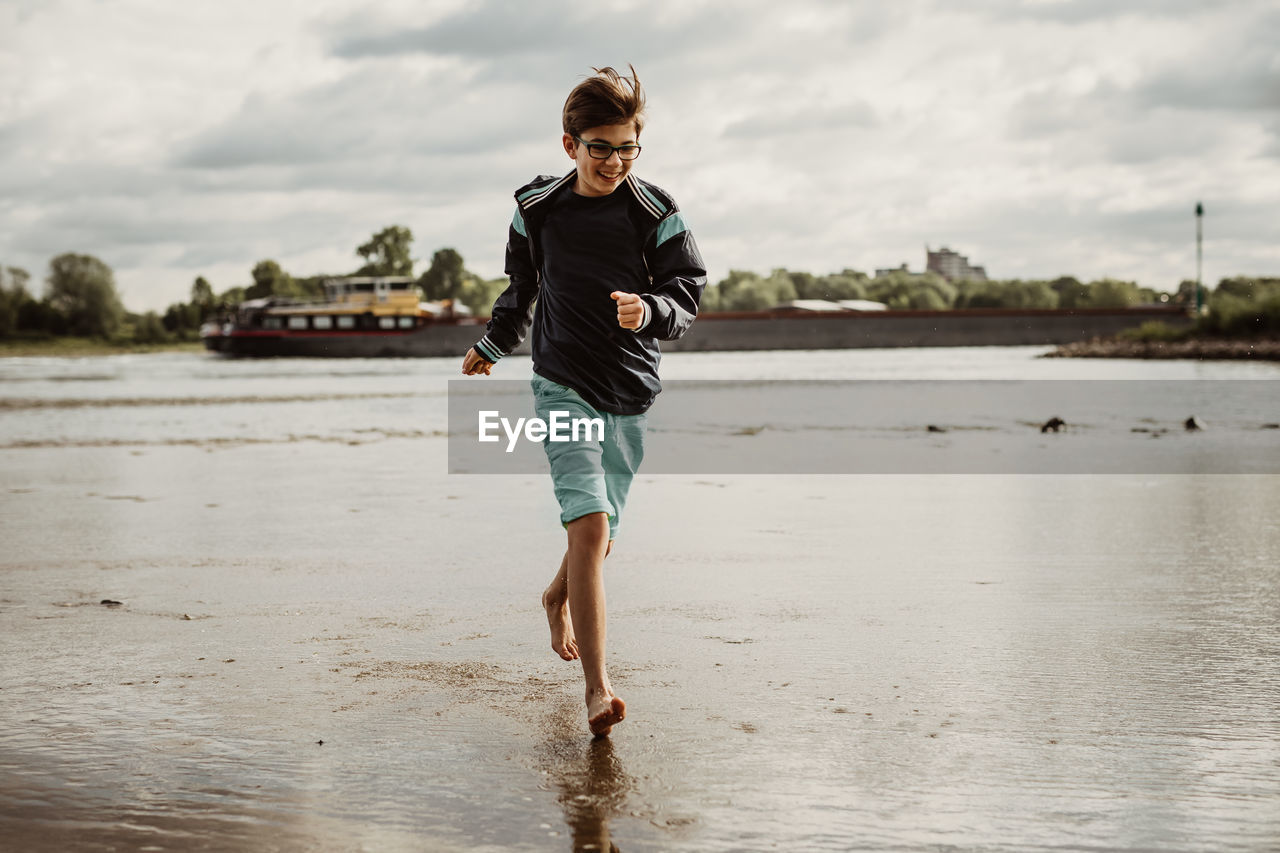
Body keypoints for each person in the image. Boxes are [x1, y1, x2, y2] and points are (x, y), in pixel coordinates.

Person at [461, 65, 706, 736]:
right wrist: (491, 342)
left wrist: (648, 308)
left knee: (599, 540)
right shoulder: (537, 207)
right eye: (600, 147)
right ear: (570, 145)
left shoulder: (655, 210)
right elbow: (520, 289)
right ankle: (598, 690)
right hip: (561, 380)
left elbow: (687, 293)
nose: (615, 160)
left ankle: (556, 592)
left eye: (627, 146)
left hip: (629, 388)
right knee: (590, 524)